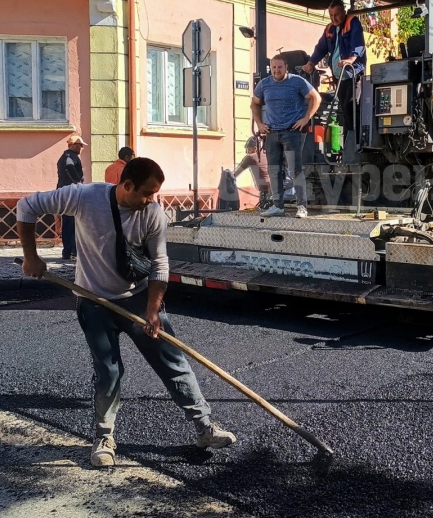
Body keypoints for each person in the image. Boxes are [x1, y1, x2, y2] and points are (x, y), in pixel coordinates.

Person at [16, 157, 236, 467]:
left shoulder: (153, 214)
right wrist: (31, 257)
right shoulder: (83, 196)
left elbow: (160, 263)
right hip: (94, 301)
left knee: (173, 361)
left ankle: (204, 427)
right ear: (127, 185)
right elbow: (26, 206)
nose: (152, 200)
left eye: (156, 194)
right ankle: (104, 437)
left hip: (139, 296)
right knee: (108, 371)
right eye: (147, 193)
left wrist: (153, 310)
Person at [252, 54, 321, 218]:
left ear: (286, 67)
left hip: (291, 133)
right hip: (271, 134)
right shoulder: (264, 84)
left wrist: (306, 119)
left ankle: (302, 207)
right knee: (274, 171)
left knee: (295, 170)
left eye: (279, 67)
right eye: (273, 67)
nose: (276, 70)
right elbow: (254, 103)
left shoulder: (297, 81)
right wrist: (259, 124)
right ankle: (278, 206)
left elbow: (316, 98)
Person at [302, 0, 367, 140]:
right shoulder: (329, 29)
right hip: (339, 77)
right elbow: (321, 48)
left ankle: (355, 141)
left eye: (336, 15)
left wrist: (351, 59)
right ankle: (348, 140)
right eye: (331, 15)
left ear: (343, 12)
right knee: (343, 109)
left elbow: (358, 44)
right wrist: (311, 62)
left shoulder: (353, 22)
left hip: (352, 74)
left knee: (351, 107)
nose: (334, 18)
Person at [56, 134, 86, 260]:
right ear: (73, 145)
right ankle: (73, 250)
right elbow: (69, 166)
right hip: (71, 193)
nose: (82, 148)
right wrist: (77, 181)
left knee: (67, 222)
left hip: (63, 192)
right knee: (73, 222)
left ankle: (67, 251)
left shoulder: (63, 156)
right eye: (80, 145)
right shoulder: (71, 156)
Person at [234, 137, 270, 202]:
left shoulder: (251, 157)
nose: (247, 152)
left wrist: (228, 176)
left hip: (265, 191)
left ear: (255, 148)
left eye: (249, 149)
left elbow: (236, 173)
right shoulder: (266, 154)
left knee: (263, 210)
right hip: (272, 188)